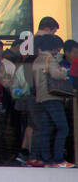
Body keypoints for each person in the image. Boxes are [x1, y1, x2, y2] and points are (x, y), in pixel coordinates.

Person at [30, 34, 73, 167]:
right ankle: (59, 159)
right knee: (63, 128)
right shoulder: (50, 59)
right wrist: (65, 72)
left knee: (46, 129)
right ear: (54, 47)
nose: (59, 51)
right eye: (58, 48)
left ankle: (46, 159)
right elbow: (55, 74)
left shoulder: (37, 60)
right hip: (52, 97)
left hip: (41, 98)